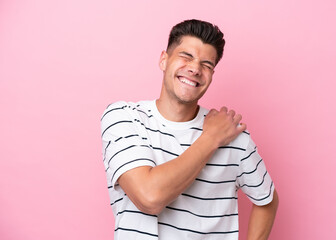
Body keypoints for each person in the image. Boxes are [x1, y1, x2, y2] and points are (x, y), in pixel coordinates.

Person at [101, 19, 279, 240]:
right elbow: (149, 197)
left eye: (207, 64)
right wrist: (211, 138)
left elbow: (267, 200)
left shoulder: (233, 136)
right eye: (186, 56)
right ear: (164, 60)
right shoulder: (124, 117)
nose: (195, 68)